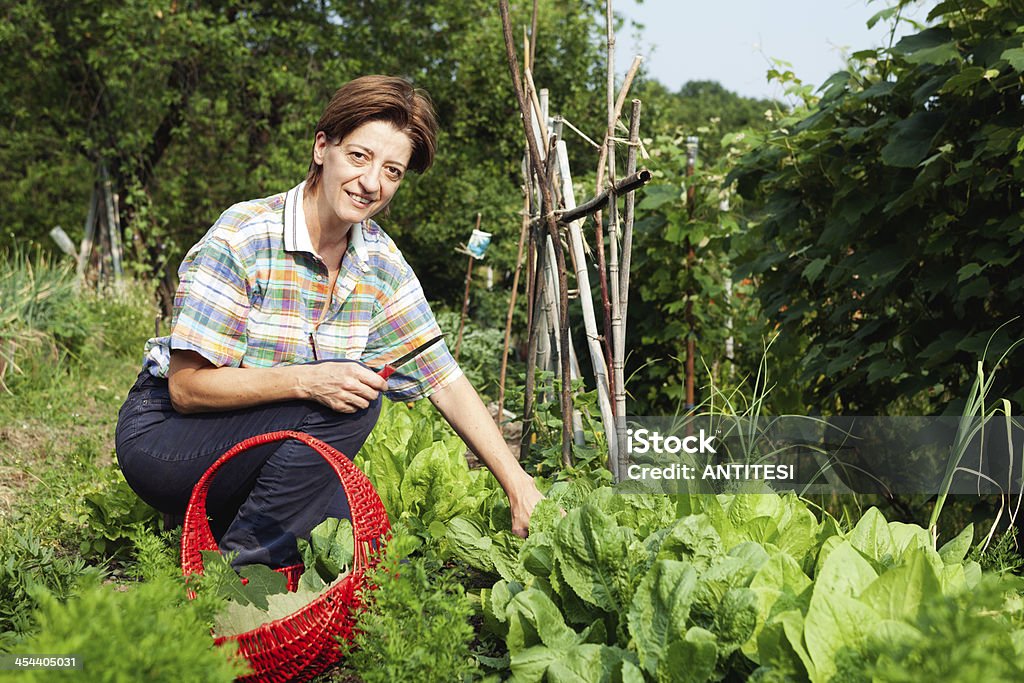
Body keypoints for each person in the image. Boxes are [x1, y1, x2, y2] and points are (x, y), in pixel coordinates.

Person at [115, 75, 544, 569]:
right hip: (167, 441)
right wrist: (310, 380)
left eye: (393, 171)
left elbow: (442, 378)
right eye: (359, 157)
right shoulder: (246, 235)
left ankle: (222, 521)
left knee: (360, 546)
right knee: (355, 403)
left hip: (260, 448)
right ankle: (234, 580)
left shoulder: (379, 263)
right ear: (323, 147)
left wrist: (518, 485)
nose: (371, 183)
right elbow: (187, 390)